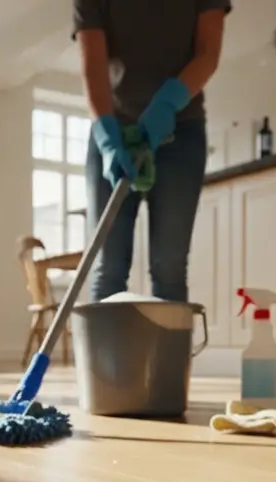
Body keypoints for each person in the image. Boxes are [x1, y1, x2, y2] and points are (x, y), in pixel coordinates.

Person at [73, 0, 230, 303]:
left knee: (169, 267)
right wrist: (107, 138)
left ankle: (166, 352)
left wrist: (169, 102)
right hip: (113, 126)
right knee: (108, 267)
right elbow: (93, 67)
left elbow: (207, 53)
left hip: (180, 129)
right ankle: (109, 352)